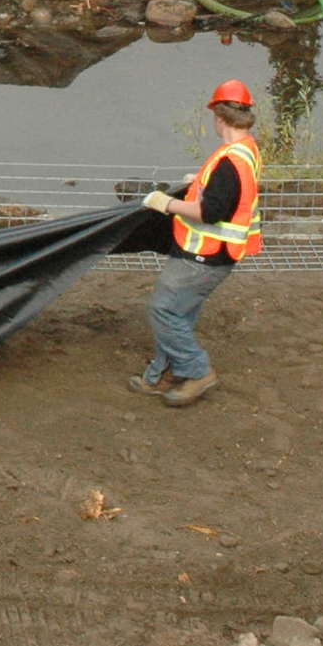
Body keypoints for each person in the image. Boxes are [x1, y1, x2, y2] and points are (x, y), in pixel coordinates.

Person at [131, 78, 263, 407]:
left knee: (164, 312)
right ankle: (159, 376)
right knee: (179, 313)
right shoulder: (245, 150)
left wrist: (166, 203)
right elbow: (223, 189)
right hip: (214, 256)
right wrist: (198, 181)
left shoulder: (231, 161)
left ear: (220, 117)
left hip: (204, 256)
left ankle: (196, 371)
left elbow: (210, 211)